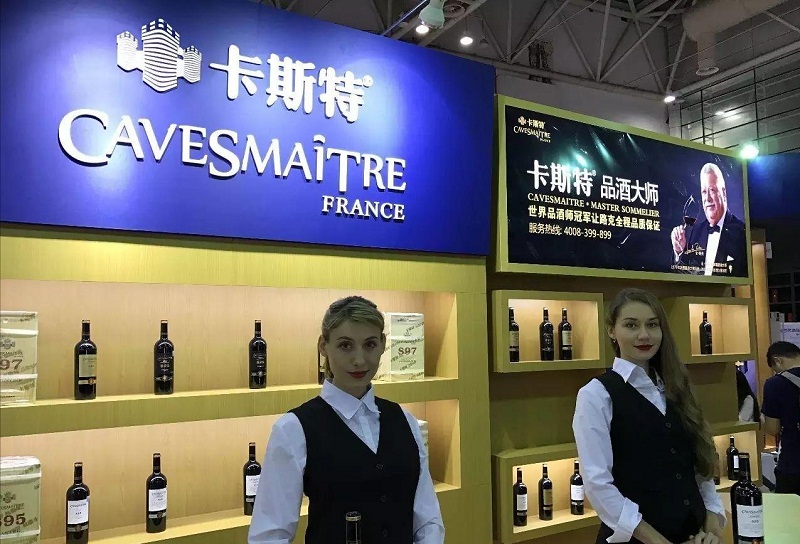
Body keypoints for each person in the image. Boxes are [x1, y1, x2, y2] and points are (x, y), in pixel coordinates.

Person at [248, 295, 445, 544]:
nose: (359, 360)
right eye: (345, 345)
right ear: (323, 346)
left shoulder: (406, 421)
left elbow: (428, 520)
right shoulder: (293, 429)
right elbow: (270, 535)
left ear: (383, 344)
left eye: (370, 344)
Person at [573, 288, 725, 544]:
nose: (644, 335)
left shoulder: (676, 387)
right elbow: (598, 485)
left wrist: (712, 521)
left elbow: (699, 465)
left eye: (652, 325)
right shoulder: (596, 394)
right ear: (612, 331)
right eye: (631, 325)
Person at [670, 163, 746, 277]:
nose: (708, 198)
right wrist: (679, 252)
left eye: (712, 190)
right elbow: (685, 274)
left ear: (723, 193)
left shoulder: (741, 232)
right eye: (704, 192)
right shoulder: (696, 231)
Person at [762, 340, 800, 496]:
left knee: (788, 509)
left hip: (793, 463)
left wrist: (762, 419)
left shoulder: (775, 383)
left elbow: (773, 429)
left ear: (777, 360)